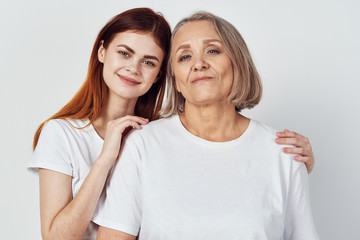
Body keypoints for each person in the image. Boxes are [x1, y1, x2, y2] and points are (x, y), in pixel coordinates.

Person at [94, 11, 319, 239]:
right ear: (175, 81)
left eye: (212, 51)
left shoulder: (284, 152)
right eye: (184, 57)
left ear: (238, 63)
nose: (199, 64)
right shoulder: (143, 145)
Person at [28, 8, 171, 240]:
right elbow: (55, 237)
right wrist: (105, 159)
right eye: (125, 53)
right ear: (102, 51)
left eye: (148, 62)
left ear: (158, 75)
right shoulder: (61, 134)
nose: (133, 68)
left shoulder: (159, 138)